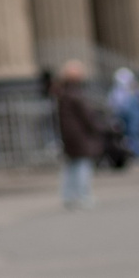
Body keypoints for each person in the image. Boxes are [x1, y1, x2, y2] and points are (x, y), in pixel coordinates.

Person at [54, 60, 102, 209]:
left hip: (70, 136)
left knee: (72, 166)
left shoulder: (63, 92)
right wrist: (98, 127)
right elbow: (87, 115)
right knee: (82, 166)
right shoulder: (74, 93)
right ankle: (83, 196)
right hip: (79, 136)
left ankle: (69, 196)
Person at [108, 67, 139, 164]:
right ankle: (130, 155)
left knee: (135, 134)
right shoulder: (117, 91)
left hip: (135, 118)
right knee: (127, 136)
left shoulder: (135, 90)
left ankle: (138, 154)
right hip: (123, 116)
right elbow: (112, 103)